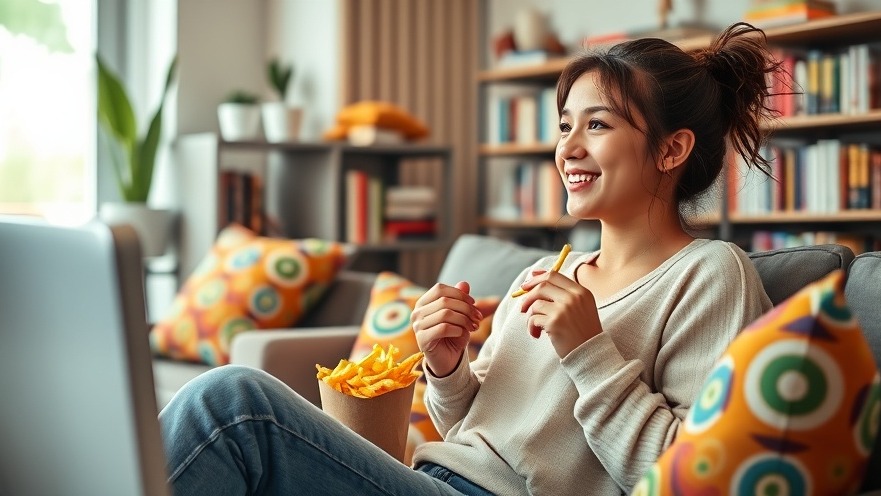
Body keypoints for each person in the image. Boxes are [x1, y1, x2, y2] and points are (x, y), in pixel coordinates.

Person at [160, 22, 781, 495]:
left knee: (232, 407)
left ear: (672, 150)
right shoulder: (547, 274)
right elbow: (465, 428)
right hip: (435, 476)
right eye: (564, 126)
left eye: (597, 125)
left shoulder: (710, 275)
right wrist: (448, 367)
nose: (567, 147)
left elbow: (687, 475)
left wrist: (589, 354)